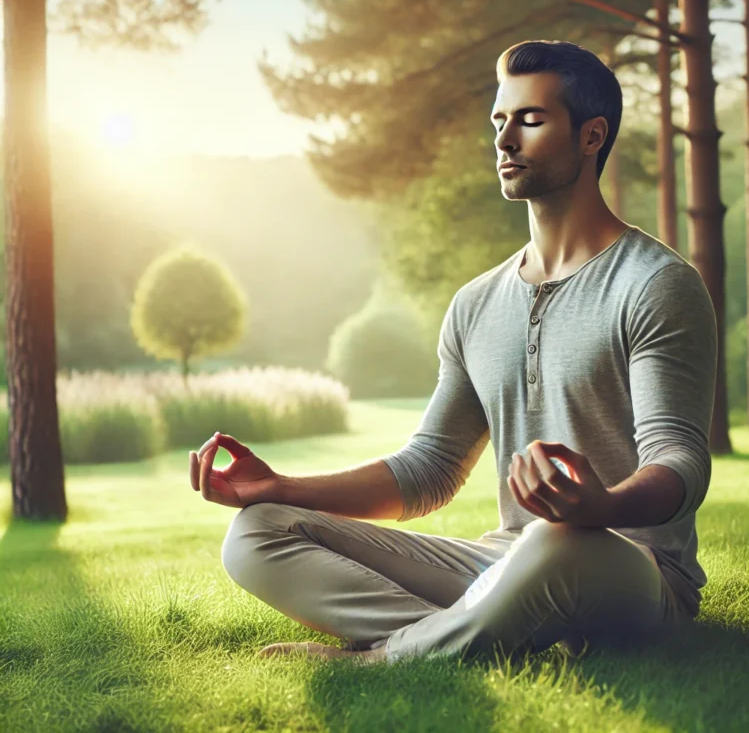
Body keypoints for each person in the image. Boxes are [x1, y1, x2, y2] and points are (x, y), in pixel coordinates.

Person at [189, 39, 717, 667]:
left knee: (556, 542)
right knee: (258, 530)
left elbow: (680, 460)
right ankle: (478, 634)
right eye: (499, 121)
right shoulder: (476, 303)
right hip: (505, 559)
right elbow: (429, 471)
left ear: (590, 136)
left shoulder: (655, 283)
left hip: (630, 568)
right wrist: (277, 485)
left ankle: (383, 658)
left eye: (530, 119)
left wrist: (601, 505)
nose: (504, 140)